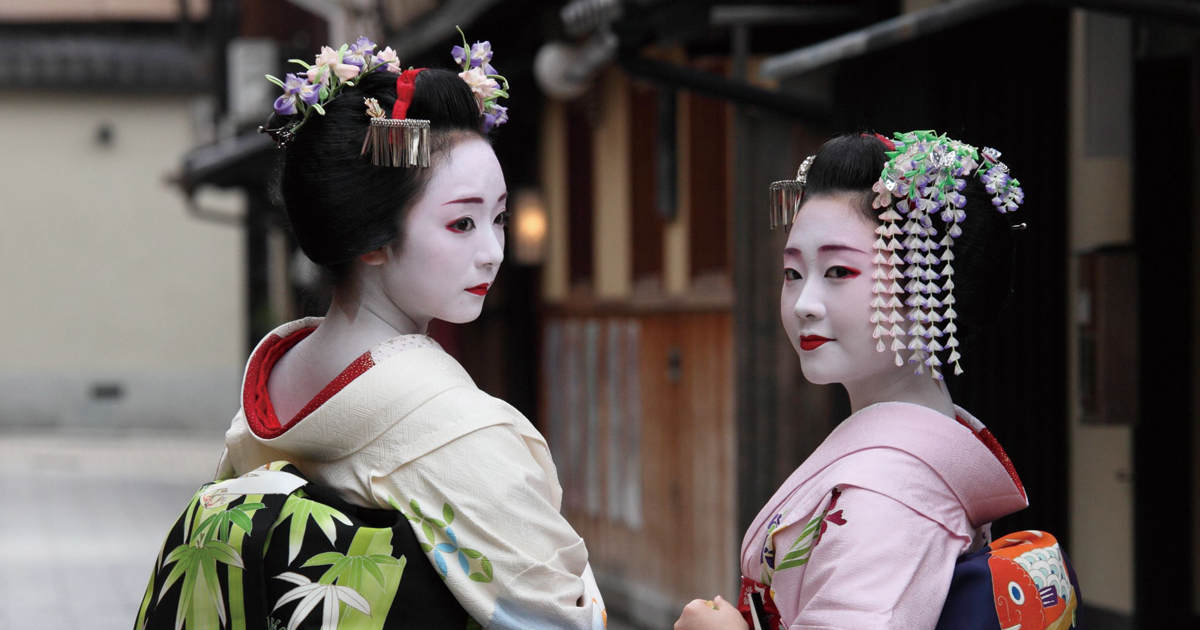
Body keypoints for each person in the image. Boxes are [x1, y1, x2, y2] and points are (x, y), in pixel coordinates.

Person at [136, 35, 606, 630]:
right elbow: (562, 616)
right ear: (375, 236)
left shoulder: (277, 378)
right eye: (461, 222)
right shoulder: (450, 427)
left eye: (499, 218)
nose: (492, 252)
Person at [675, 132, 1076, 630]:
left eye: (839, 270)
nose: (804, 304)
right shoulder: (904, 463)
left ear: (929, 288)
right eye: (793, 273)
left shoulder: (889, 497)